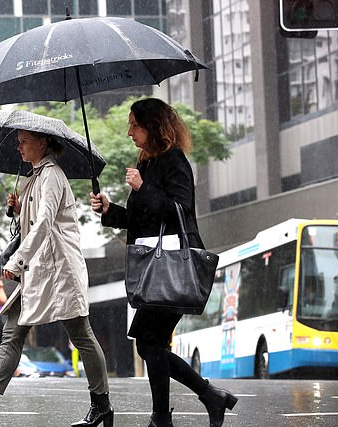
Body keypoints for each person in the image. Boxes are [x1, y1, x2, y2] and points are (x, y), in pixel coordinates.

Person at [0, 129, 113, 427]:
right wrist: (16, 210)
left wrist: (17, 260)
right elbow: (30, 223)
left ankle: (102, 405)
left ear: (43, 142)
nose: (18, 147)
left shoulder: (51, 175)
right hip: (38, 272)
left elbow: (45, 223)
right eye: (18, 141)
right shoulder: (33, 177)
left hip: (59, 270)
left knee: (81, 335)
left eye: (23, 141)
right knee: (12, 331)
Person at [89, 98, 238, 427]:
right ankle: (208, 398)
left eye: (134, 125)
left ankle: (165, 415)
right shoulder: (146, 162)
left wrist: (143, 189)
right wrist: (109, 210)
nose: (129, 132)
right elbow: (142, 219)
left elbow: (181, 211)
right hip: (155, 269)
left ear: (152, 126)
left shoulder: (174, 161)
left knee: (150, 342)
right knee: (149, 343)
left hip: (173, 267)